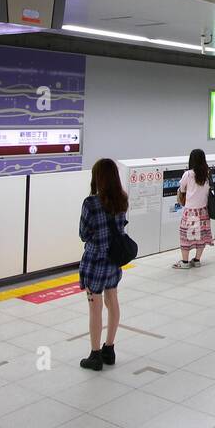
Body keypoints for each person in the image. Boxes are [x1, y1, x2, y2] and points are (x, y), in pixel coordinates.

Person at [77, 159, 129, 371]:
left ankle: (95, 354)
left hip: (94, 262)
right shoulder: (122, 200)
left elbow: (83, 234)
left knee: (95, 307)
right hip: (113, 261)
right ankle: (110, 349)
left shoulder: (90, 203)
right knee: (113, 301)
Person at [174, 149, 215, 268]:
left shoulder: (188, 174)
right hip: (203, 211)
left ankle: (185, 262)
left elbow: (182, 189)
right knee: (201, 236)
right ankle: (197, 260)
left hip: (190, 211)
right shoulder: (207, 173)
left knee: (186, 236)